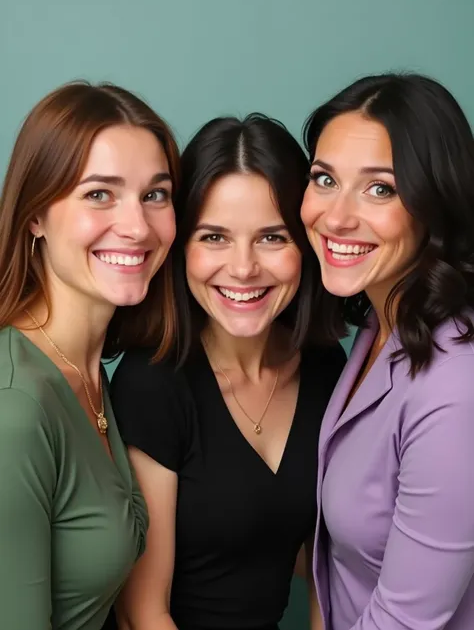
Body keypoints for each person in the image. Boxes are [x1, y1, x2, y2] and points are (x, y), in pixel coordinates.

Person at [109, 114, 346, 630]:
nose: (242, 268)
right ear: (181, 248)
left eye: (272, 237)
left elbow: (328, 570)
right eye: (214, 237)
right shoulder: (153, 383)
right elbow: (142, 613)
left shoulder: (328, 368)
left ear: (306, 245)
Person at [0, 81, 180, 629]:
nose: (137, 226)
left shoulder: (91, 373)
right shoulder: (16, 407)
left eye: (155, 194)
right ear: (35, 215)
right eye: (99, 193)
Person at [300, 72, 474, 630]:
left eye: (381, 189)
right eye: (324, 179)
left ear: (435, 203)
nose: (337, 216)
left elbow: (404, 620)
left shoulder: (455, 388)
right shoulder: (381, 324)